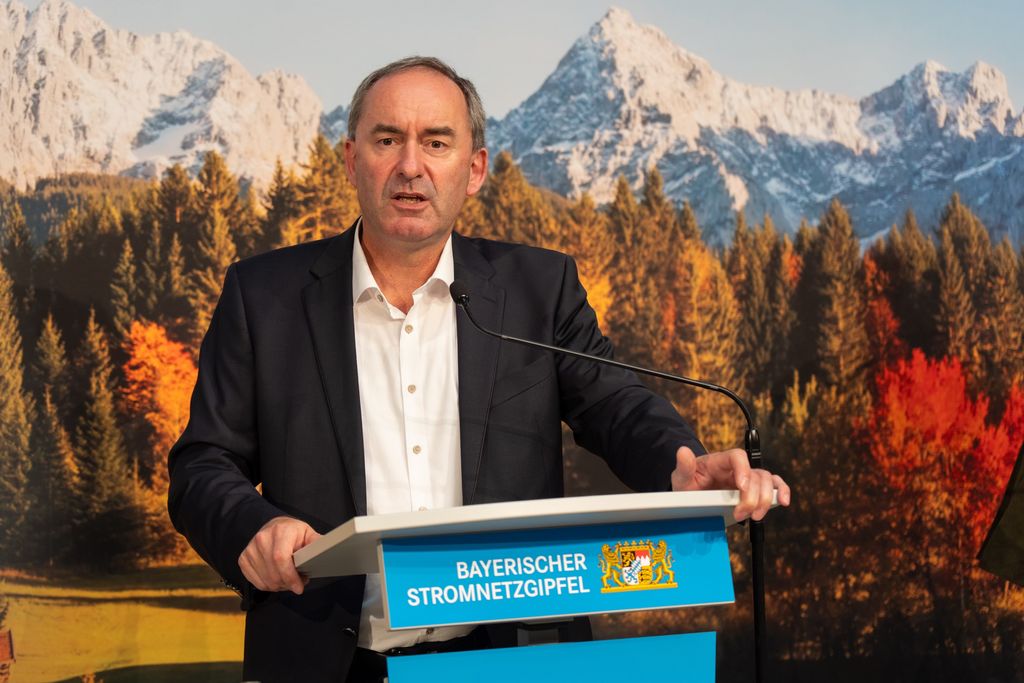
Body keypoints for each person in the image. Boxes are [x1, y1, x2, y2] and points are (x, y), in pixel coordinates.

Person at [167, 56, 791, 683]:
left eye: (436, 142)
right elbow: (202, 464)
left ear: (474, 170)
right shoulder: (264, 297)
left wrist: (681, 462)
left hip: (509, 659)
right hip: (327, 659)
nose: (411, 165)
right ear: (352, 160)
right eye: (388, 140)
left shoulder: (538, 289)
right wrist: (255, 527)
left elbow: (614, 403)